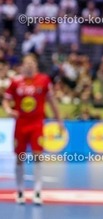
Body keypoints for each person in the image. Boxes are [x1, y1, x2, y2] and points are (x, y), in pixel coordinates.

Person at [2, 53, 64, 205]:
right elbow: (6, 100)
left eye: (32, 63)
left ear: (36, 65)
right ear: (22, 65)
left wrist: (59, 120)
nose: (29, 65)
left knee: (38, 156)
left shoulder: (44, 80)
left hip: (37, 124)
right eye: (26, 63)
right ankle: (20, 191)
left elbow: (52, 101)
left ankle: (37, 191)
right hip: (20, 124)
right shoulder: (15, 81)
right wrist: (9, 110)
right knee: (19, 158)